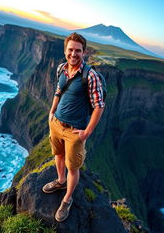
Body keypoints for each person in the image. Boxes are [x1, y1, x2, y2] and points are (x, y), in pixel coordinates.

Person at [42, 32, 105, 222]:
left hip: (74, 131)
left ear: (84, 52)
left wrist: (87, 131)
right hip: (56, 124)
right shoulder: (62, 68)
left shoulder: (90, 76)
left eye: (78, 50)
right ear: (65, 51)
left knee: (73, 167)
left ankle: (67, 199)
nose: (73, 54)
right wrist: (51, 113)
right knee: (58, 155)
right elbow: (59, 90)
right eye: (70, 50)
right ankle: (60, 181)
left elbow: (99, 105)